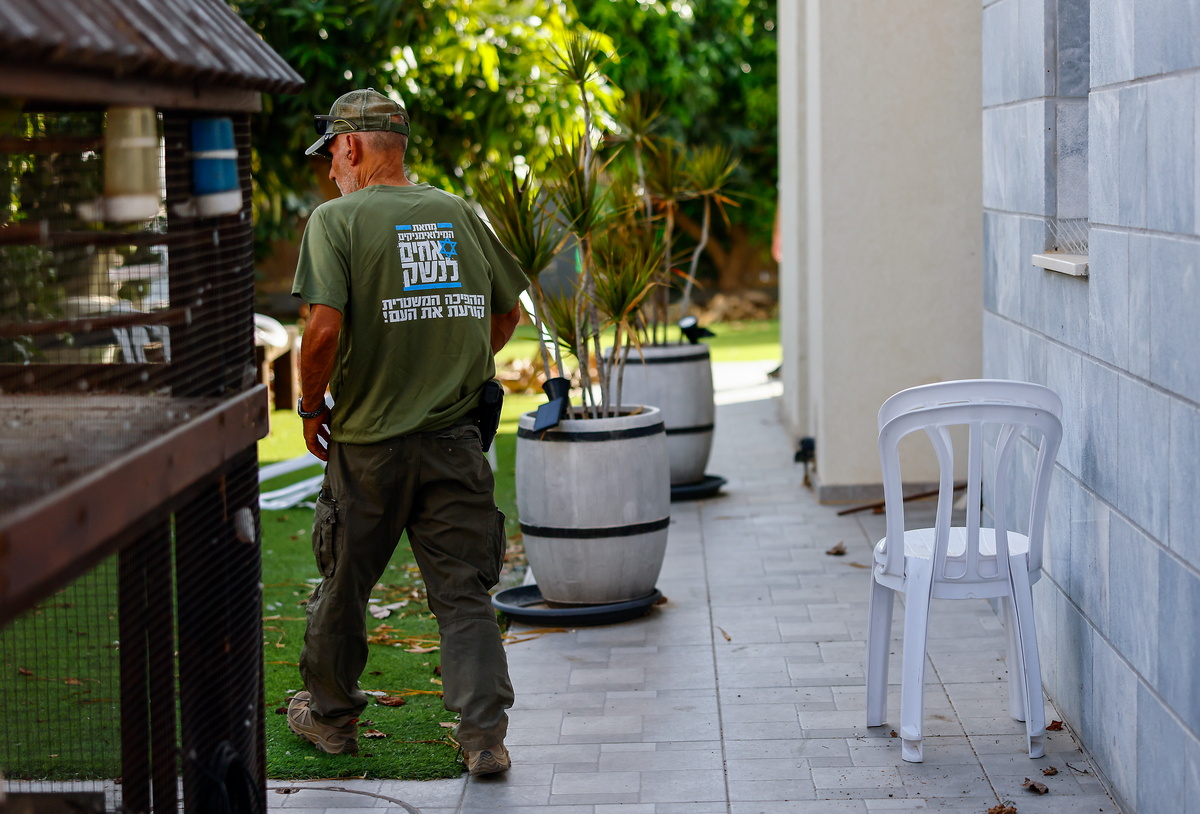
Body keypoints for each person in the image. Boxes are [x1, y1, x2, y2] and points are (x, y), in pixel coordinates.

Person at [286, 88, 528, 776]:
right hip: (456, 441)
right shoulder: (458, 213)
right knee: (463, 594)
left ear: (353, 147)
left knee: (344, 585)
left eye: (333, 152)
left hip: (368, 449)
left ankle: (330, 719)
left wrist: (310, 408)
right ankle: (484, 738)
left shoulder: (335, 221)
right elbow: (507, 315)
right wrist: (452, 363)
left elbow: (323, 329)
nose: (332, 167)